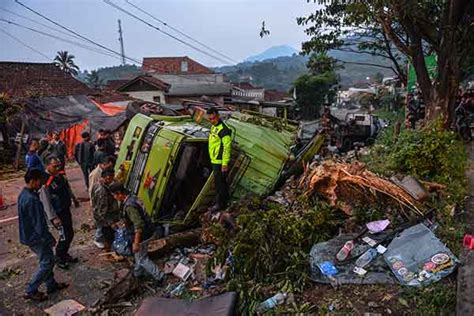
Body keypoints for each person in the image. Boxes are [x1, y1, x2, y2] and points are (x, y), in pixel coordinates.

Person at [18, 169, 68, 301]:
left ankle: (51, 284)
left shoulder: (24, 195)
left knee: (47, 259)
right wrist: (48, 237)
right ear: (33, 180)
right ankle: (31, 290)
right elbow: (39, 223)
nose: (42, 184)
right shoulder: (31, 199)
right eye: (40, 181)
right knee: (47, 262)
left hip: (29, 235)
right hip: (36, 237)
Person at [109, 183, 163, 281]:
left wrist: (136, 242)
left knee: (142, 258)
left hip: (142, 234)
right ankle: (138, 273)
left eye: (114, 195)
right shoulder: (133, 198)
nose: (114, 198)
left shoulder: (129, 206)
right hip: (148, 230)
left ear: (119, 193)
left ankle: (160, 276)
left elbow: (138, 225)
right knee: (139, 255)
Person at [42, 156, 79, 269]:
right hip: (57, 213)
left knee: (70, 233)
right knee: (64, 236)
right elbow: (46, 202)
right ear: (48, 165)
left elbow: (67, 188)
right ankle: (59, 257)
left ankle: (64, 253)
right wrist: (53, 217)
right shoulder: (45, 181)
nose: (58, 168)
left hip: (65, 208)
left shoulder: (60, 176)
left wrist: (73, 198)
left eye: (59, 165)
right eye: (55, 166)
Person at [207, 107, 232, 212]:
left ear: (218, 116)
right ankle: (224, 202)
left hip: (220, 161)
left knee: (219, 184)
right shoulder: (214, 127)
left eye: (213, 118)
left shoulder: (224, 130)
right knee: (221, 183)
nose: (212, 121)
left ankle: (220, 205)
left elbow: (227, 147)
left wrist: (224, 163)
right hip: (214, 159)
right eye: (210, 119)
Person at [91, 169, 120, 250]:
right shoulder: (102, 191)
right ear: (106, 178)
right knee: (108, 236)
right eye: (111, 178)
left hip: (100, 214)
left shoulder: (97, 185)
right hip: (105, 218)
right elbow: (103, 211)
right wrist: (111, 222)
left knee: (102, 229)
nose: (112, 180)